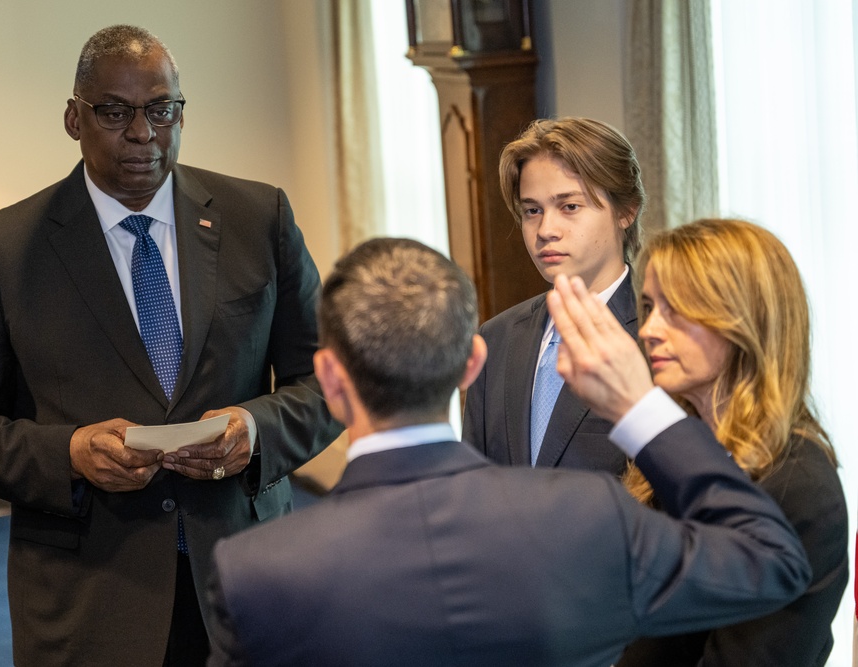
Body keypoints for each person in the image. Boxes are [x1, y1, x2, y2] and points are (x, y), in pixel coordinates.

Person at [0, 25, 340, 666]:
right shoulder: (4, 250)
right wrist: (67, 452)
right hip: (91, 599)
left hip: (247, 578)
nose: (143, 134)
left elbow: (329, 382)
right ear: (73, 117)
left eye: (161, 110)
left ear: (181, 111)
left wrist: (256, 428)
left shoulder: (261, 218)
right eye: (114, 113)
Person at [205, 237, 811, 667]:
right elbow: (772, 561)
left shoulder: (255, 572)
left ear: (330, 379)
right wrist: (639, 408)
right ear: (472, 363)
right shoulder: (587, 516)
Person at [614, 219, 848, 667]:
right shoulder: (674, 456)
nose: (648, 330)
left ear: (745, 319)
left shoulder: (798, 484)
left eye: (676, 310)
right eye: (649, 306)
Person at [462, 117, 642, 474]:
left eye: (569, 207)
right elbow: (476, 483)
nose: (545, 230)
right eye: (532, 211)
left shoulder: (658, 339)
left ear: (626, 210)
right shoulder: (496, 339)